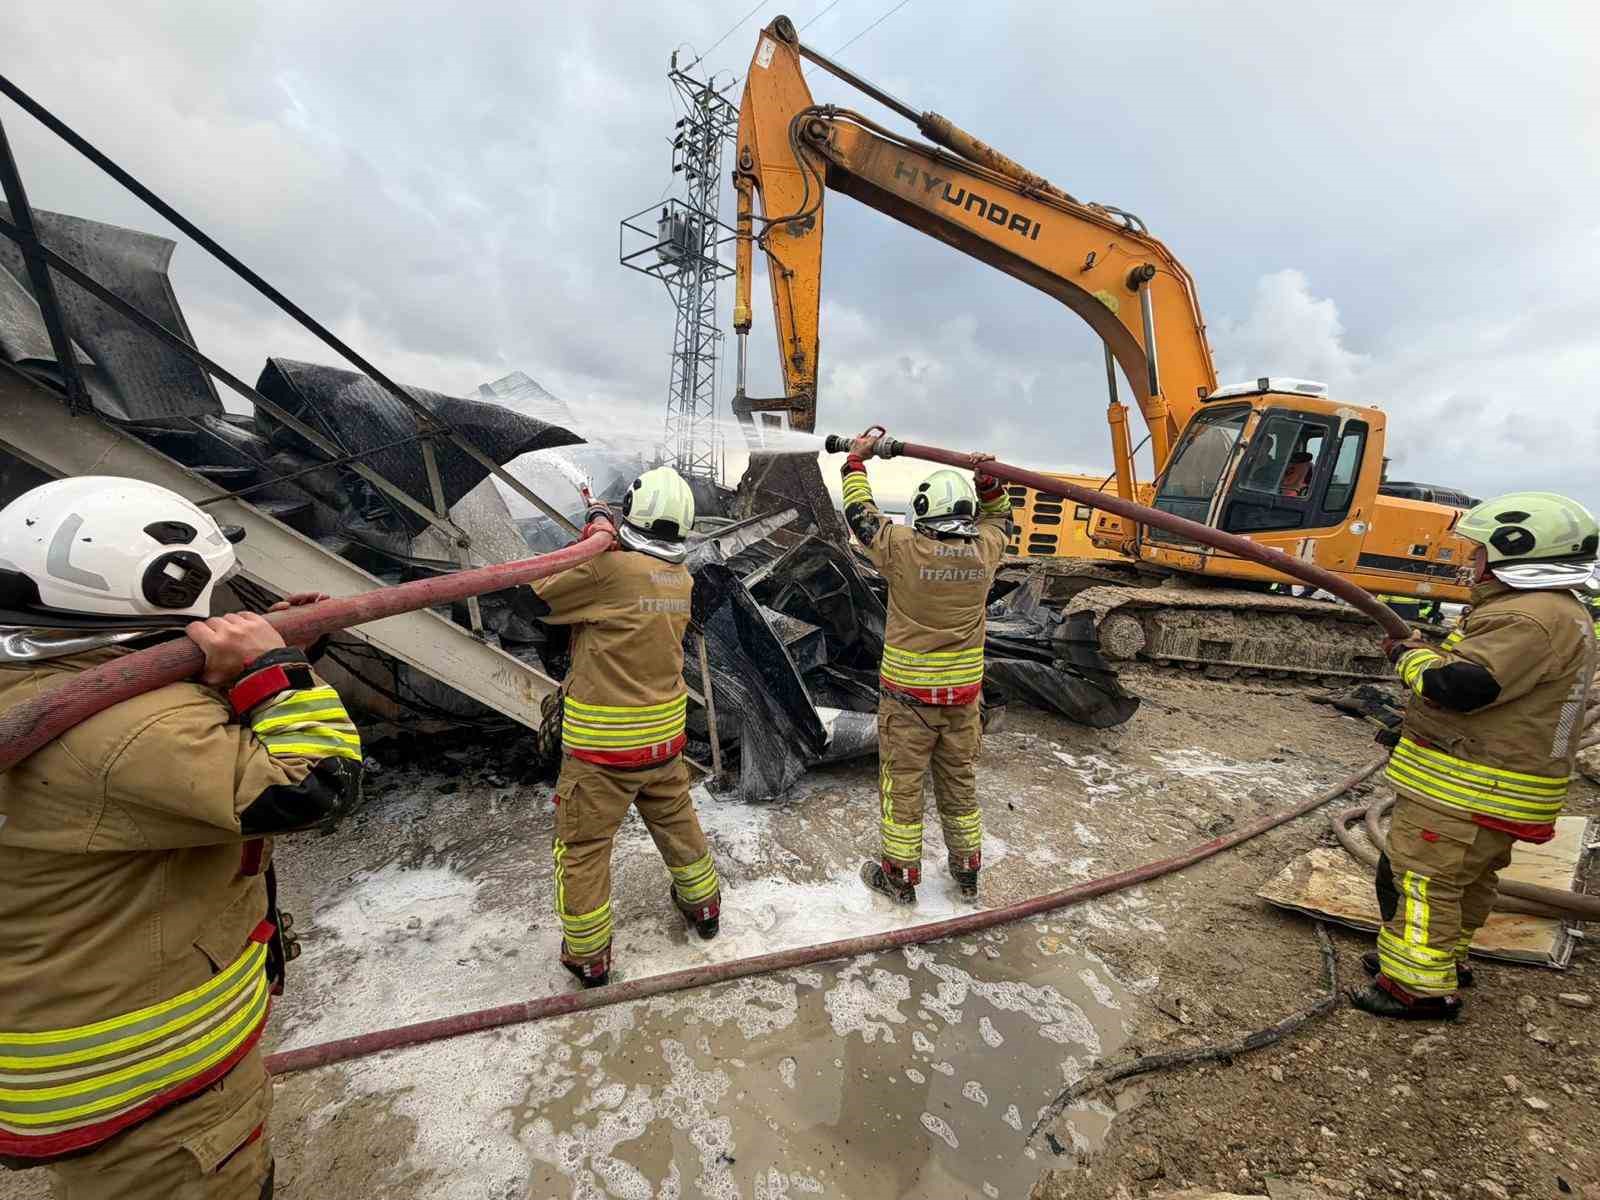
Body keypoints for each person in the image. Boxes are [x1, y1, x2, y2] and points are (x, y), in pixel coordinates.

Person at [0, 476, 363, 1197]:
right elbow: (317, 783)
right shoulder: (130, 728)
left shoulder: (46, 678)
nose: (226, 605)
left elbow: (166, 733)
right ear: (165, 588)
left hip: (62, 1040)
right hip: (144, 1081)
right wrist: (275, 675)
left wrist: (275, 656)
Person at [1351, 492, 1598, 1020]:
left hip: (1468, 790)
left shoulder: (1528, 619)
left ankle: (1415, 988)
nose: (1472, 562)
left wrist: (1408, 656)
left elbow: (1458, 685)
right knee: (1466, 881)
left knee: (1422, 882)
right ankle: (1440, 959)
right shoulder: (1553, 613)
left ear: (1516, 556)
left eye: (1480, 551)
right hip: (1498, 784)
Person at [525, 466, 720, 988]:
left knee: (585, 848)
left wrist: (592, 537)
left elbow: (539, 594)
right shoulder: (681, 578)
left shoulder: (609, 573)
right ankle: (704, 908)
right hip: (663, 744)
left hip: (601, 755)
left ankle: (588, 957)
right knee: (678, 824)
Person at [841, 436, 1013, 904]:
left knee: (903, 791)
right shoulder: (986, 551)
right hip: (962, 704)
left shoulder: (904, 549)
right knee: (960, 785)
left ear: (923, 511)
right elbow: (1003, 520)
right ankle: (967, 872)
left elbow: (860, 517)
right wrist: (991, 483)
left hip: (908, 706)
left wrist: (856, 460)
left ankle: (900, 878)